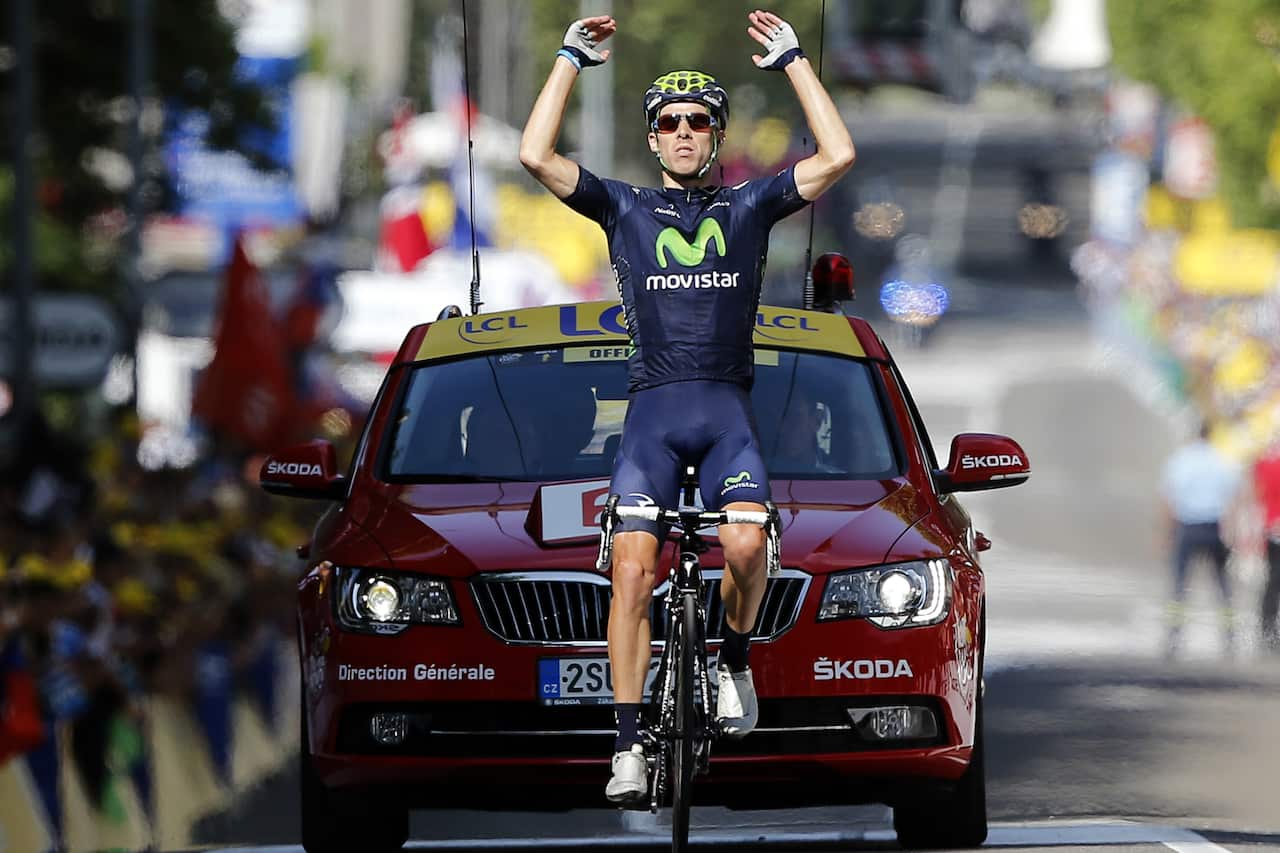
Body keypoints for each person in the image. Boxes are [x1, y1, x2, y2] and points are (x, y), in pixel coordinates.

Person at [520, 10, 854, 804]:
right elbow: (534, 154)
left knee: (746, 545)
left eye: (697, 121)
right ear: (652, 138)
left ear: (716, 135)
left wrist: (794, 62)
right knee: (633, 570)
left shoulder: (748, 206)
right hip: (654, 421)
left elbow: (838, 154)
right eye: (668, 122)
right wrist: (569, 58)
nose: (682, 133)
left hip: (726, 412)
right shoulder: (625, 208)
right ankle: (627, 745)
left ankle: (733, 662)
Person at [1159, 422, 1242, 657]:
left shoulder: (1181, 460)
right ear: (1212, 435)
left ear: (1196, 434)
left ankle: (1174, 635)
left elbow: (1168, 499)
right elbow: (1233, 499)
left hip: (1188, 527)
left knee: (1180, 583)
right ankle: (1230, 636)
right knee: (1222, 584)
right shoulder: (1222, 461)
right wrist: (1233, 533)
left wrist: (1165, 534)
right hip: (1214, 527)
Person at [1252, 439, 1280, 652]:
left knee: (1272, 580)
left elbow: (1257, 495)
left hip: (1271, 528)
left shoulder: (1263, 463)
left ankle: (1267, 629)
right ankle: (1268, 630)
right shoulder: (1265, 463)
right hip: (1273, 529)